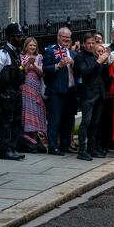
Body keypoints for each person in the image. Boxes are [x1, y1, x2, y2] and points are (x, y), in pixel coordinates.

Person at [0, 23, 26, 160]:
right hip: (8, 91)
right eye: (18, 36)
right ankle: (5, 150)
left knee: (16, 120)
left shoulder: (15, 51)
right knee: (7, 121)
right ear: (10, 37)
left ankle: (12, 147)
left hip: (16, 90)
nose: (20, 38)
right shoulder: (3, 53)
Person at [74, 34, 110, 161]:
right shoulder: (80, 57)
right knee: (86, 122)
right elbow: (86, 72)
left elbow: (102, 75)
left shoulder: (95, 56)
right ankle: (82, 150)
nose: (90, 45)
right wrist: (99, 62)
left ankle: (92, 148)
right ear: (84, 44)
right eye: (88, 43)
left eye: (92, 43)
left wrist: (104, 63)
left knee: (96, 122)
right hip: (87, 94)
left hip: (98, 93)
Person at [43, 27, 77, 156]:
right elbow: (45, 69)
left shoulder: (72, 52)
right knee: (55, 119)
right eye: (64, 38)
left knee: (68, 120)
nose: (66, 40)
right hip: (56, 91)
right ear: (58, 37)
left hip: (70, 90)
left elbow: (78, 69)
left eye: (68, 38)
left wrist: (73, 62)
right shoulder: (51, 51)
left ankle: (64, 145)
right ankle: (52, 146)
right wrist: (58, 65)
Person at [19, 37, 46, 149]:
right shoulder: (21, 56)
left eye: (34, 45)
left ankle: (35, 139)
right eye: (30, 45)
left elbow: (41, 72)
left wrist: (33, 63)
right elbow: (21, 71)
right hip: (26, 87)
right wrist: (26, 63)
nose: (32, 47)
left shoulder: (39, 57)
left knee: (35, 110)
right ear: (26, 46)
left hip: (36, 87)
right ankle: (27, 139)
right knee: (27, 111)